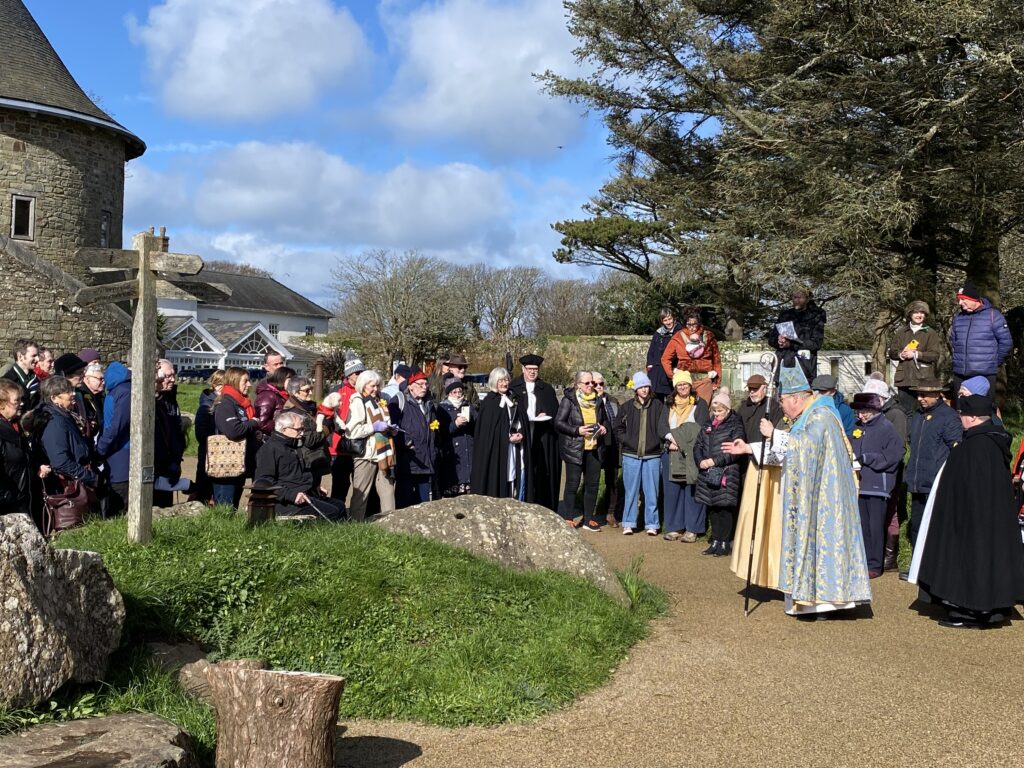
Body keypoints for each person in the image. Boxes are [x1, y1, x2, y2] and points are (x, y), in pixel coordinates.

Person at [727, 364, 871, 617]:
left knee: (822, 546)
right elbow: (788, 455)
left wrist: (774, 434)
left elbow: (806, 449)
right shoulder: (806, 417)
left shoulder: (821, 415)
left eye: (782, 401)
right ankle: (808, 600)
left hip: (824, 501)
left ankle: (825, 602)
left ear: (796, 398)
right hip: (811, 498)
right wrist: (750, 449)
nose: (781, 406)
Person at [909, 394, 1024, 628]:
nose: (960, 418)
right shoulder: (995, 441)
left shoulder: (974, 446)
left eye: (962, 414)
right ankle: (993, 608)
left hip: (971, 520)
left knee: (973, 561)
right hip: (991, 519)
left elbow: (964, 488)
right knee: (989, 559)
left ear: (972, 418)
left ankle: (969, 611)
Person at [901, 378, 962, 577]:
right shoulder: (918, 416)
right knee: (917, 525)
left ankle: (935, 569)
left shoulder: (949, 417)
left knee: (934, 527)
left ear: (938, 394)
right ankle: (917, 567)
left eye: (925, 395)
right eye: (918, 394)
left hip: (936, 482)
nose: (921, 399)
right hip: (917, 480)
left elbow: (956, 449)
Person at [849, 392, 903, 578]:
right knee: (862, 525)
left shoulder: (887, 427)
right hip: (859, 484)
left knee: (875, 526)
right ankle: (862, 561)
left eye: (865, 411)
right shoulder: (857, 427)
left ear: (874, 409)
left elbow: (894, 456)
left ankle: (875, 565)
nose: (861, 415)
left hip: (878, 485)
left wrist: (868, 459)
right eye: (859, 412)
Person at [254, 410, 344, 520]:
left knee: (340, 506)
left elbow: (296, 476)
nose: (302, 433)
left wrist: (315, 488)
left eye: (303, 429)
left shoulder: (294, 446)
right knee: (332, 512)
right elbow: (264, 482)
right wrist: (291, 495)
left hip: (306, 494)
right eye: (299, 429)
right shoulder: (269, 449)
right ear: (284, 429)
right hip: (286, 504)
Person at [614, 371, 669, 536]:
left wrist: (657, 443)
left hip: (652, 455)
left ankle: (652, 524)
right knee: (631, 491)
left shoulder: (659, 406)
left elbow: (664, 427)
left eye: (646, 386)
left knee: (652, 491)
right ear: (635, 389)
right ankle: (629, 523)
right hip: (631, 455)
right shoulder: (626, 407)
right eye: (641, 387)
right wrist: (628, 440)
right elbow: (618, 428)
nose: (644, 390)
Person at [555, 370, 609, 531]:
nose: (591, 385)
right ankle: (569, 518)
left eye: (592, 382)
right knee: (572, 484)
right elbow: (558, 422)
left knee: (592, 485)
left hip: (594, 448)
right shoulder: (569, 401)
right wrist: (577, 430)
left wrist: (603, 428)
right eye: (587, 383)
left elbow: (604, 419)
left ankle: (588, 519)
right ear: (578, 385)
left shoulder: (598, 400)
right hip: (575, 448)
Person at [693, 388, 745, 556]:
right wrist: (700, 460)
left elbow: (735, 450)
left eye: (720, 410)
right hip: (709, 472)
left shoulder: (735, 424)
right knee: (713, 508)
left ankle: (724, 542)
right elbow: (698, 445)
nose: (716, 414)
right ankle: (715, 540)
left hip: (726, 473)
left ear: (728, 409)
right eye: (714, 411)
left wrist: (714, 461)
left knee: (725, 509)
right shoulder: (708, 424)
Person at [38, 375, 99, 515]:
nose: (73, 394)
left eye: (71, 390)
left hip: (80, 479)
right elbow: (60, 461)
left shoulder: (65, 416)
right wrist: (90, 477)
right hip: (70, 487)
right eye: (67, 391)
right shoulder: (55, 422)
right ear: (54, 398)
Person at [662, 371, 709, 542]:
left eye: (685, 384)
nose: (682, 387)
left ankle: (692, 529)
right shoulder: (668, 404)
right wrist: (671, 439)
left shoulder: (699, 404)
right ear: (675, 387)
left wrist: (682, 442)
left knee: (692, 490)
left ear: (690, 386)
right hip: (672, 451)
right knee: (672, 490)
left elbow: (701, 427)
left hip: (692, 452)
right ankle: (674, 527)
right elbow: (662, 427)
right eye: (679, 385)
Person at [509, 354, 560, 510]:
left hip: (540, 435)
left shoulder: (546, 389)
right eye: (529, 369)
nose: (532, 372)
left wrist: (545, 413)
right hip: (519, 434)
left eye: (535, 369)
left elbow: (554, 412)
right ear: (523, 369)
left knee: (539, 471)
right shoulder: (513, 387)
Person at [345, 370, 397, 520]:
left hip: (384, 453)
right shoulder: (358, 401)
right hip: (366, 455)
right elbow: (352, 432)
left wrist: (390, 429)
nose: (376, 389)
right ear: (362, 386)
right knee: (361, 494)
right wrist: (373, 428)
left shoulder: (380, 400)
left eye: (378, 386)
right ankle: (355, 525)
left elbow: (383, 423)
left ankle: (392, 525)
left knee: (388, 492)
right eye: (372, 386)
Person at [949, 281, 1013, 401]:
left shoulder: (994, 316)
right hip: (960, 374)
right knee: (961, 411)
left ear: (974, 299)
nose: (960, 303)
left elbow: (1006, 343)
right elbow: (954, 340)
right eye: (959, 299)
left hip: (984, 375)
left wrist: (993, 362)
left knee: (982, 412)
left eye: (963, 299)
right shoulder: (959, 317)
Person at [211, 367, 263, 509]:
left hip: (237, 464)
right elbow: (233, 430)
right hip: (226, 466)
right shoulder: (225, 404)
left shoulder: (241, 404)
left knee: (232, 506)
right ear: (234, 381)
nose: (249, 384)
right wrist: (254, 423)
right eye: (245, 381)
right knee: (224, 509)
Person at [470, 367, 526, 498]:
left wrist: (520, 432)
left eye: (506, 380)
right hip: (495, 450)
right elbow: (487, 432)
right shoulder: (489, 402)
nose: (504, 383)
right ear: (494, 382)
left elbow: (518, 419)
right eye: (500, 381)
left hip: (511, 449)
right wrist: (506, 437)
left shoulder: (513, 398)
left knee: (510, 477)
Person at [390, 370, 438, 507]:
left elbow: (434, 428)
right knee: (405, 501)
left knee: (423, 504)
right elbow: (393, 428)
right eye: (420, 384)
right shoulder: (399, 401)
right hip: (408, 461)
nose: (424, 387)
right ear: (410, 385)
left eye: (426, 384)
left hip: (426, 460)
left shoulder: (429, 403)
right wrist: (406, 443)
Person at [887, 300, 943, 415]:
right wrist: (901, 355)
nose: (919, 315)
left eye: (922, 313)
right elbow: (892, 353)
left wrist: (916, 354)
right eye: (916, 312)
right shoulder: (901, 332)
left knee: (923, 412)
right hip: (904, 380)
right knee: (905, 412)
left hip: (923, 379)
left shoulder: (930, 333)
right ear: (910, 314)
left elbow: (935, 355)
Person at [660, 307, 722, 404]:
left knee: (702, 410)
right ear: (685, 323)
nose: (692, 327)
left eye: (694, 324)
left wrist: (717, 382)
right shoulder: (678, 337)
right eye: (689, 324)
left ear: (699, 322)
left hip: (705, 380)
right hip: (684, 381)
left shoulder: (709, 336)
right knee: (685, 411)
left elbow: (716, 360)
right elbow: (665, 359)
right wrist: (673, 376)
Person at [766, 288, 826, 383]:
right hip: (782, 366)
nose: (797, 300)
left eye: (800, 297)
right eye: (794, 297)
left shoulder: (816, 315)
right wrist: (779, 342)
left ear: (807, 299)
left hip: (804, 368)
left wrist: (791, 344)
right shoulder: (785, 315)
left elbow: (816, 343)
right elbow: (771, 339)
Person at [96, 361, 131, 515]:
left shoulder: (121, 392)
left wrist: (101, 448)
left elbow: (116, 425)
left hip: (120, 453)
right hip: (118, 451)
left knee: (120, 497)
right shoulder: (125, 390)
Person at [282, 376, 331, 485]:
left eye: (311, 389)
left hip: (314, 460)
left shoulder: (309, 408)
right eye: (306, 390)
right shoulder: (295, 413)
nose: (310, 392)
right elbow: (310, 440)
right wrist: (327, 427)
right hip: (306, 463)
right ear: (295, 393)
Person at [330, 356, 365, 504]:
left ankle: (359, 517)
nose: (360, 376)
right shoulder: (337, 390)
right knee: (340, 486)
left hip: (360, 445)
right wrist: (340, 427)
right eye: (357, 373)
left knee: (361, 487)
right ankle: (337, 516)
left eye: (362, 372)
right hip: (340, 446)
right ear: (349, 374)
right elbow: (329, 413)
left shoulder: (366, 391)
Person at [154, 360, 187, 507]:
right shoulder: (153, 400)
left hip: (172, 462)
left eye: (173, 375)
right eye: (168, 376)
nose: (172, 379)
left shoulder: (170, 398)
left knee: (166, 504)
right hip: (158, 464)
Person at [0, 379, 35, 517]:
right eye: (16, 401)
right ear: (1, 404)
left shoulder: (16, 425)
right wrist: (8, 497)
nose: (21, 404)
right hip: (9, 505)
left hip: (24, 497)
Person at [593, 371, 624, 527]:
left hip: (613, 445)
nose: (598, 386)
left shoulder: (612, 400)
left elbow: (619, 421)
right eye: (595, 384)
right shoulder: (589, 400)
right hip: (596, 447)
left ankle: (610, 513)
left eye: (601, 384)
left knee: (612, 481)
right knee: (592, 479)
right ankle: (589, 513)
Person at [437, 378, 475, 498]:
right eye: (455, 392)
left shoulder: (467, 405)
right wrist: (455, 424)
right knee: (453, 495)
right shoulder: (442, 408)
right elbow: (440, 431)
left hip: (468, 452)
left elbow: (477, 425)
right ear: (449, 393)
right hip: (452, 455)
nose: (458, 395)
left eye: (460, 391)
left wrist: (471, 420)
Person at [192, 369, 226, 505]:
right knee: (204, 488)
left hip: (219, 453)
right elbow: (201, 433)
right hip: (208, 452)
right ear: (216, 386)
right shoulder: (206, 406)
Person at [646, 308, 682, 401]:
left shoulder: (680, 332)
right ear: (662, 321)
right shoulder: (658, 333)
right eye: (665, 320)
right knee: (656, 401)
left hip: (670, 372)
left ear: (674, 318)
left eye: (670, 319)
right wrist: (650, 366)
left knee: (672, 401)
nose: (668, 322)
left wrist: (676, 368)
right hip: (657, 373)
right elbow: (651, 351)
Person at [255, 366, 295, 436]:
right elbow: (261, 422)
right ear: (281, 379)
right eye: (290, 380)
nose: (293, 383)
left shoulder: (285, 395)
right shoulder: (268, 395)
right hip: (271, 438)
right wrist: (281, 429)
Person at [2, 338, 40, 412]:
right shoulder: (5, 382)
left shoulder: (37, 381)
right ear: (20, 357)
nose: (38, 359)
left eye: (37, 355)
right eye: (34, 355)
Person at [78, 362, 106, 442]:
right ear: (87, 379)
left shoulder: (100, 395)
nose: (103, 382)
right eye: (100, 379)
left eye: (103, 379)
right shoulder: (81, 396)